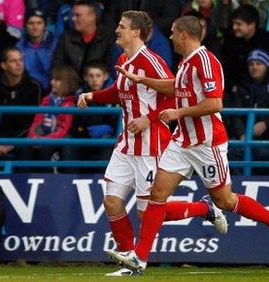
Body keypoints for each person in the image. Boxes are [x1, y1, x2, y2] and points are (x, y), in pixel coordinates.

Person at [107, 15, 269, 275]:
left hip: (207, 143)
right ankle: (140, 258)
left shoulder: (205, 61)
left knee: (226, 200)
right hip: (181, 142)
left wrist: (178, 114)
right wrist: (142, 80)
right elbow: (175, 88)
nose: (169, 37)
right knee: (156, 196)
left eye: (172, 32)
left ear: (184, 34)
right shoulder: (185, 63)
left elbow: (216, 103)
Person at [77, 11, 228, 277]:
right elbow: (120, 91)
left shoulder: (152, 61)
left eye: (121, 27)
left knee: (147, 214)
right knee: (112, 202)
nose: (117, 31)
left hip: (151, 144)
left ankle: (204, 208)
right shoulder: (123, 59)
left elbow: (175, 94)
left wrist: (148, 118)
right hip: (127, 144)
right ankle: (128, 262)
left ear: (135, 32)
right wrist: (93, 95)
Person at [0, 47, 42, 160]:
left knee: (27, 147)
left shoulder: (34, 87)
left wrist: (13, 143)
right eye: (13, 61)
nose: (19, 64)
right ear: (4, 65)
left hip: (22, 138)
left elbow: (33, 120)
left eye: (20, 60)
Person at [52, 0, 115, 76]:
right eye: (73, 15)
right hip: (72, 85)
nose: (73, 19)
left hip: (100, 84)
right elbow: (57, 65)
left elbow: (111, 67)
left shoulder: (108, 37)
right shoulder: (66, 37)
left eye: (78, 15)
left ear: (92, 16)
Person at [16, 9, 58, 92]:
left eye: (39, 23)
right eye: (31, 23)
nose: (35, 27)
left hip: (52, 89)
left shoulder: (55, 44)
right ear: (26, 26)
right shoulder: (19, 46)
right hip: (27, 90)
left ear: (45, 26)